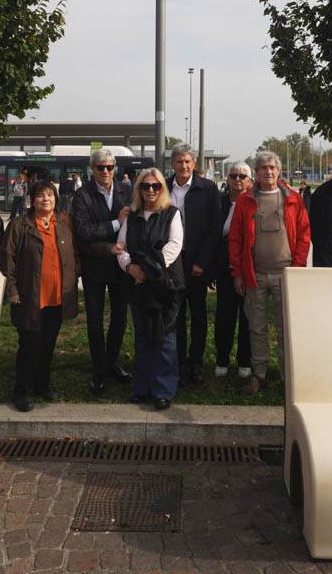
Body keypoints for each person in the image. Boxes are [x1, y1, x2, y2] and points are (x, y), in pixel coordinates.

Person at [229, 150, 310, 396]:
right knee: (257, 327)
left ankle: (288, 377)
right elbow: (235, 238)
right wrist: (238, 273)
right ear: (256, 172)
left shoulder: (293, 198)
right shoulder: (245, 201)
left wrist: (296, 269)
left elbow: (304, 236)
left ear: (279, 171)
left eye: (272, 168)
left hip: (286, 276)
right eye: (263, 168)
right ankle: (259, 375)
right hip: (256, 275)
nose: (268, 172)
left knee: (287, 328)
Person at [1, 180, 79, 412]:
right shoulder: (19, 225)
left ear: (56, 199)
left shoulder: (63, 225)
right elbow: (7, 260)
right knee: (29, 345)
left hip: (56, 298)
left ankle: (42, 384)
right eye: (40, 196)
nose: (46, 199)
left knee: (48, 344)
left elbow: (73, 255)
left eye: (50, 195)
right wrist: (12, 291)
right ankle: (22, 390)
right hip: (29, 298)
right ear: (32, 200)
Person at [116, 168, 184, 410]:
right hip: (137, 284)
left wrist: (148, 269)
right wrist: (129, 267)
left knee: (165, 336)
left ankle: (163, 389)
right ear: (139, 189)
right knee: (143, 336)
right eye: (146, 186)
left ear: (162, 188)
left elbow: (174, 246)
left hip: (164, 285)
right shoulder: (133, 215)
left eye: (156, 186)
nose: (151, 190)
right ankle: (141, 387)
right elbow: (121, 247)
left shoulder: (172, 214)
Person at [70, 149, 134, 394]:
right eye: (100, 168)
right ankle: (99, 368)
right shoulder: (81, 195)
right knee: (94, 320)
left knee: (120, 317)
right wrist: (115, 227)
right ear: (92, 169)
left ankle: (111, 362)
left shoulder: (127, 191)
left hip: (121, 266)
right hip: (94, 266)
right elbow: (84, 232)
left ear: (114, 168)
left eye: (109, 167)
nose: (105, 172)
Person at [166, 144, 221, 385]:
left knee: (198, 314)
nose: (184, 166)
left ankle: (196, 361)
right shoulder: (161, 187)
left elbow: (214, 229)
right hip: (170, 262)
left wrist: (202, 262)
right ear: (172, 164)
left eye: (188, 161)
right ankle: (177, 361)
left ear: (194, 164)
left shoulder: (208, 189)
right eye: (179, 161)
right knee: (175, 314)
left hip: (197, 262)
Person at [214, 161, 252, 379]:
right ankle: (222, 359)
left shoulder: (255, 202)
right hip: (224, 269)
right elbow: (212, 234)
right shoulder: (218, 203)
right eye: (233, 176)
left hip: (248, 269)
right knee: (224, 317)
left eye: (242, 176)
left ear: (249, 180)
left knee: (247, 318)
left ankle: (245, 361)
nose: (237, 180)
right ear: (227, 179)